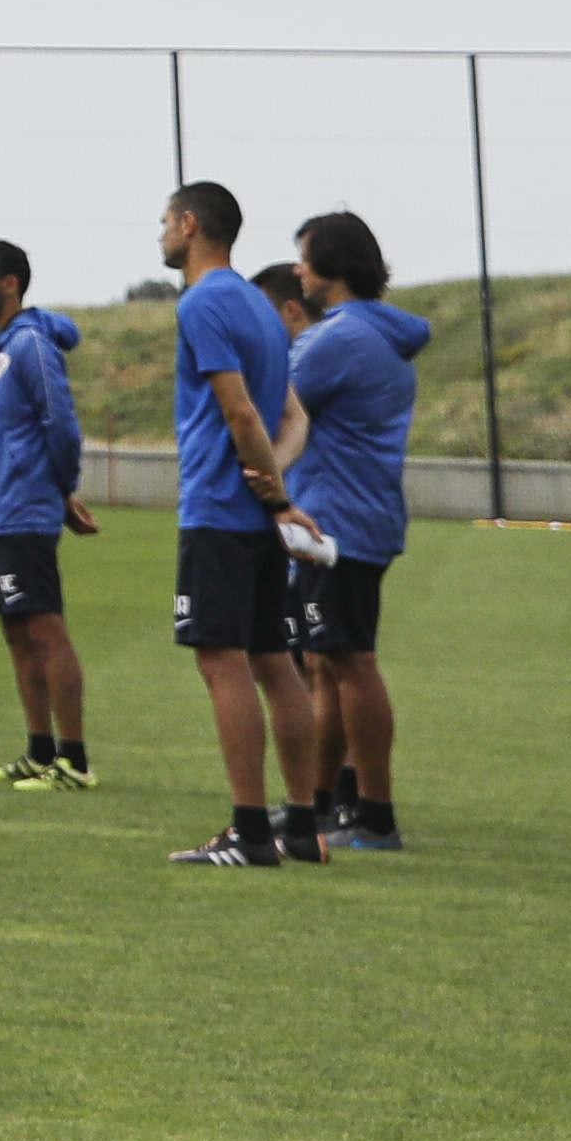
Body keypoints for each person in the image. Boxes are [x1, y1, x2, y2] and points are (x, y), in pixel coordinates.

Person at [155, 175, 319, 867]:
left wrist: (273, 494)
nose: (161, 234)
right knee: (275, 662)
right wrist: (276, 481)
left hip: (219, 513)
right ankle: (303, 828)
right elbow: (295, 418)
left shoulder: (203, 303)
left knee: (221, 662)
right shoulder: (259, 305)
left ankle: (251, 833)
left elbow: (241, 412)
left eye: (165, 221)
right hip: (254, 521)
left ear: (190, 225)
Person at [284, 209, 431, 854]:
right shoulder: (375, 332)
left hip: (335, 521)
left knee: (349, 661)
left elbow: (264, 403)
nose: (298, 270)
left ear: (334, 267)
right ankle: (329, 805)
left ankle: (373, 815)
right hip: (358, 514)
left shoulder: (339, 337)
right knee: (327, 661)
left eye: (305, 257)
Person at [0, 236, 95, 788]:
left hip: (22, 508)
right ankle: (39, 751)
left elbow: (60, 423)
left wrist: (62, 489)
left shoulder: (31, 344)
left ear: (10, 283)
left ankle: (74, 761)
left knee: (44, 628)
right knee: (17, 630)